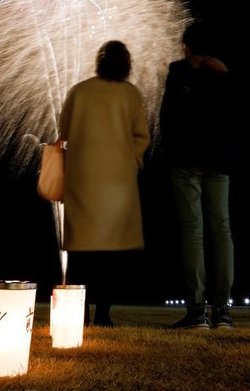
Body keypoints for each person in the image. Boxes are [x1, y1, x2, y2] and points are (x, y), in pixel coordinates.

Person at [58, 40, 151, 327]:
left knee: (81, 252)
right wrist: (131, 159)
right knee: (111, 255)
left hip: (83, 181)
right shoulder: (131, 95)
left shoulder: (80, 91)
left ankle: (80, 314)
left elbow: (64, 131)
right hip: (118, 184)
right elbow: (141, 137)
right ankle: (103, 315)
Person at [160, 21, 236, 329]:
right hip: (219, 161)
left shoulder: (178, 71)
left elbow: (167, 116)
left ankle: (196, 312)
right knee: (222, 231)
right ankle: (223, 312)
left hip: (185, 159)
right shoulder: (224, 74)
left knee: (193, 232)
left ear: (187, 46)